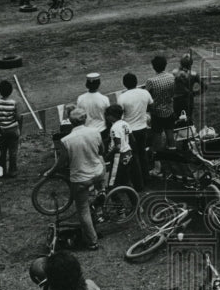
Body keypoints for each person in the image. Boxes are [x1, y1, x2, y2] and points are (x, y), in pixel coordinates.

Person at [44, 107, 105, 250]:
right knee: (98, 190)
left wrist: (50, 171)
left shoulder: (66, 140)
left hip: (81, 178)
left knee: (82, 209)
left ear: (70, 122)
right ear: (85, 119)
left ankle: (92, 241)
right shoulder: (95, 132)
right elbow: (102, 151)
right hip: (98, 172)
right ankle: (99, 203)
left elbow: (62, 161)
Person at [117, 73, 153, 187]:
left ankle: (138, 181)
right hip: (142, 128)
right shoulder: (145, 93)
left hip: (130, 130)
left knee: (134, 155)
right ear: (136, 82)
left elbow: (119, 114)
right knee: (142, 153)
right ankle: (146, 178)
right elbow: (150, 105)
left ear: (124, 84)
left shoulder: (122, 97)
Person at [144, 55, 176, 176]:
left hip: (157, 112)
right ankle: (173, 159)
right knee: (170, 133)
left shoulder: (151, 81)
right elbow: (173, 92)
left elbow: (146, 97)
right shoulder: (171, 77)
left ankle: (157, 167)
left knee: (156, 138)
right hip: (169, 109)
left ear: (153, 67)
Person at [0, 79, 22, 178]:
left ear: (0, 91)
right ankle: (13, 171)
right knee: (13, 152)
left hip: (1, 131)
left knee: (2, 152)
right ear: (11, 91)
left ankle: (2, 171)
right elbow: (17, 117)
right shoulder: (14, 103)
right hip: (12, 130)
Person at [103, 103, 136, 189]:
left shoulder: (114, 128)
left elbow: (117, 146)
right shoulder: (125, 123)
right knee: (126, 177)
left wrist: (107, 156)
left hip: (118, 156)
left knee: (112, 181)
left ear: (112, 116)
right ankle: (134, 198)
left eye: (107, 115)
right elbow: (132, 139)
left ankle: (114, 199)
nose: (106, 117)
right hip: (128, 153)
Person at [172, 53, 202, 123]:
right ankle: (189, 132)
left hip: (177, 99)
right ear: (191, 64)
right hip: (188, 99)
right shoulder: (194, 74)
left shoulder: (174, 72)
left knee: (177, 119)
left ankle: (180, 132)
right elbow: (205, 87)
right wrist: (195, 93)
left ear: (181, 62)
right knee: (188, 118)